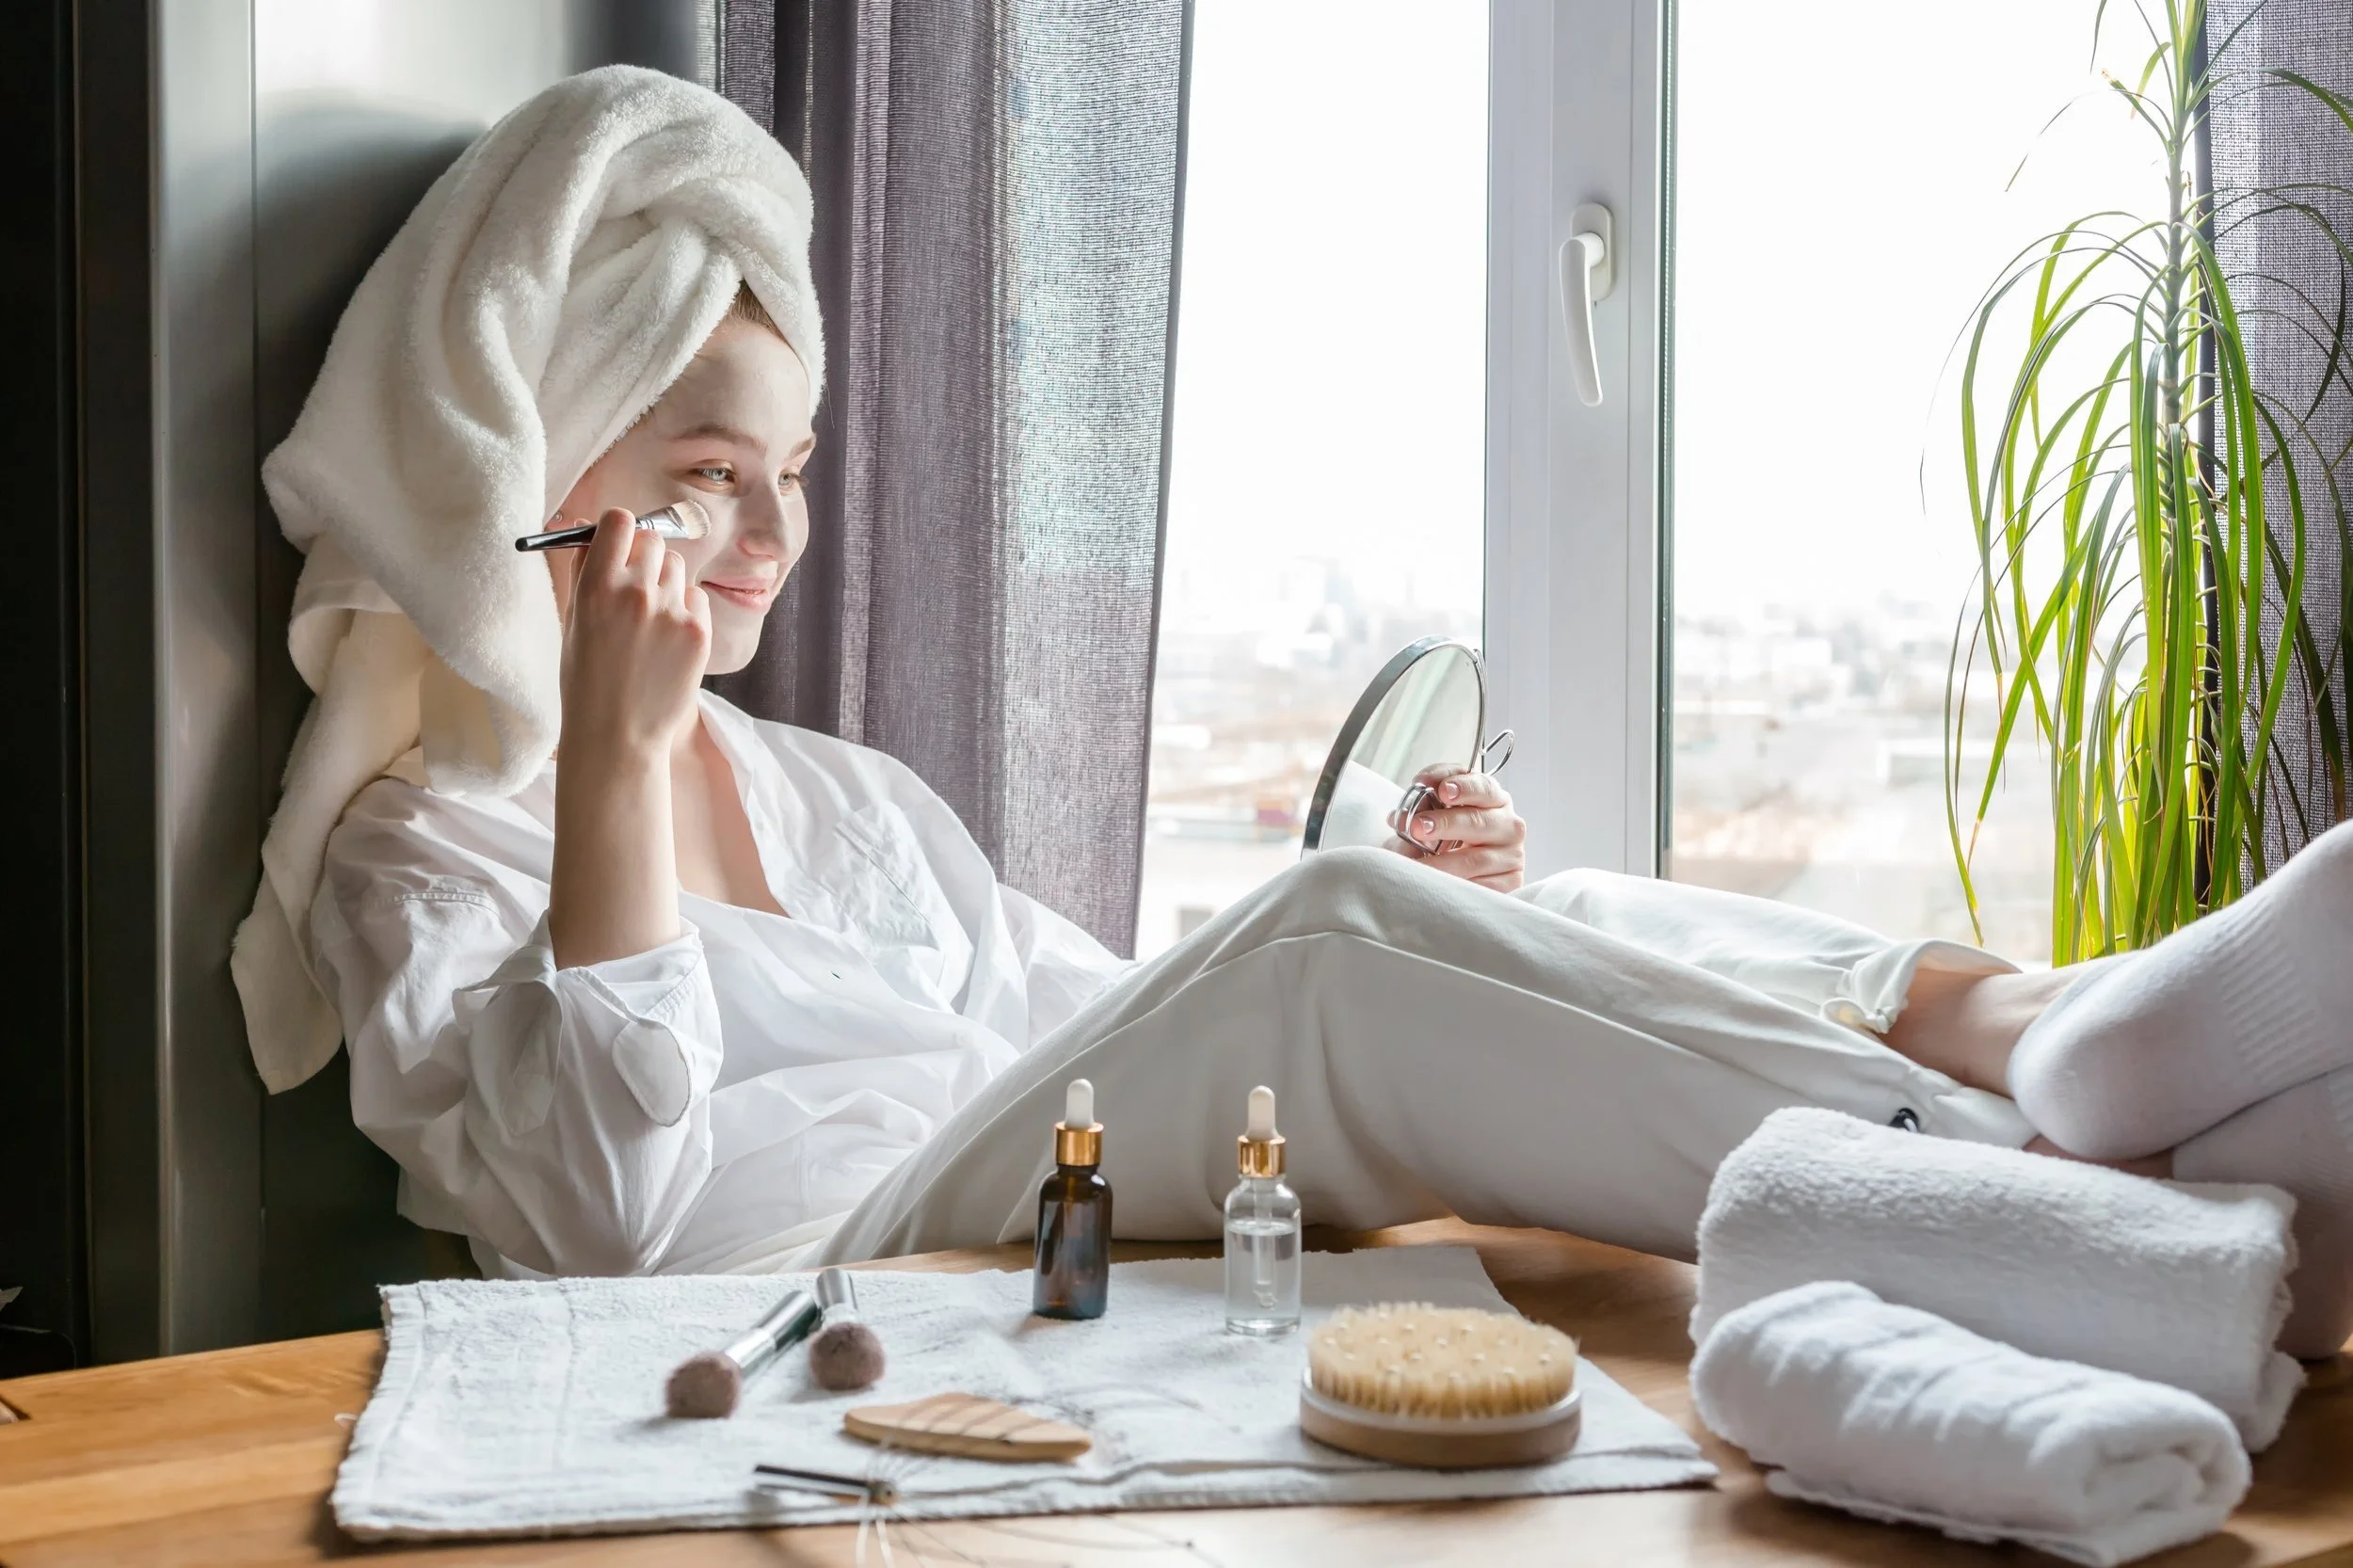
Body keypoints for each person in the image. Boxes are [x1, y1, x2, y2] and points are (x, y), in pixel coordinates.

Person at [279, 70, 2351, 1360]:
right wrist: (616, 770)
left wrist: (1495, 933)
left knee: (1468, 905)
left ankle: (2037, 1032)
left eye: (794, 468)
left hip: (1039, 1196)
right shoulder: (420, 840)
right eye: (699, 469)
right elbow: (596, 1231)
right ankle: (2085, 1186)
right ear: (530, 468)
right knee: (1316, 953)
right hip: (822, 1272)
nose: (764, 535)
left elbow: (1100, 1026)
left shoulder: (838, 796)